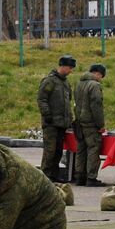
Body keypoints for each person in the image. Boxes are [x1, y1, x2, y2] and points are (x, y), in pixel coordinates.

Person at [36, 55, 76, 183]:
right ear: (63, 66)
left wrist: (69, 120)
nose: (71, 71)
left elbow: (68, 102)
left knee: (58, 151)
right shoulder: (49, 81)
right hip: (51, 123)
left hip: (62, 123)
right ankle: (45, 176)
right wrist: (47, 115)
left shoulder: (65, 82)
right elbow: (42, 99)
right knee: (50, 151)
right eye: (69, 67)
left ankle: (54, 175)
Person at [71, 64, 107, 187]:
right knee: (93, 149)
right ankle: (91, 177)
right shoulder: (95, 85)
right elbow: (96, 106)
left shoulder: (79, 84)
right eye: (101, 76)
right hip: (91, 124)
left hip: (79, 122)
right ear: (98, 73)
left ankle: (79, 176)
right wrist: (100, 124)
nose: (100, 79)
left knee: (81, 149)